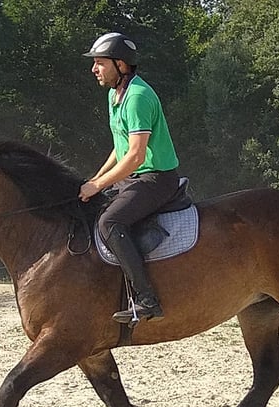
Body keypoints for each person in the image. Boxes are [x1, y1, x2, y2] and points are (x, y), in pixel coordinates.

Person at [79, 32, 181, 324]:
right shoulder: (116, 94)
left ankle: (147, 299)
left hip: (155, 179)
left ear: (121, 65)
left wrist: (99, 184)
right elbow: (120, 145)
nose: (94, 69)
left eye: (100, 63)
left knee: (110, 222)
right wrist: (96, 179)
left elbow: (136, 155)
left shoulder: (137, 97)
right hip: (133, 178)